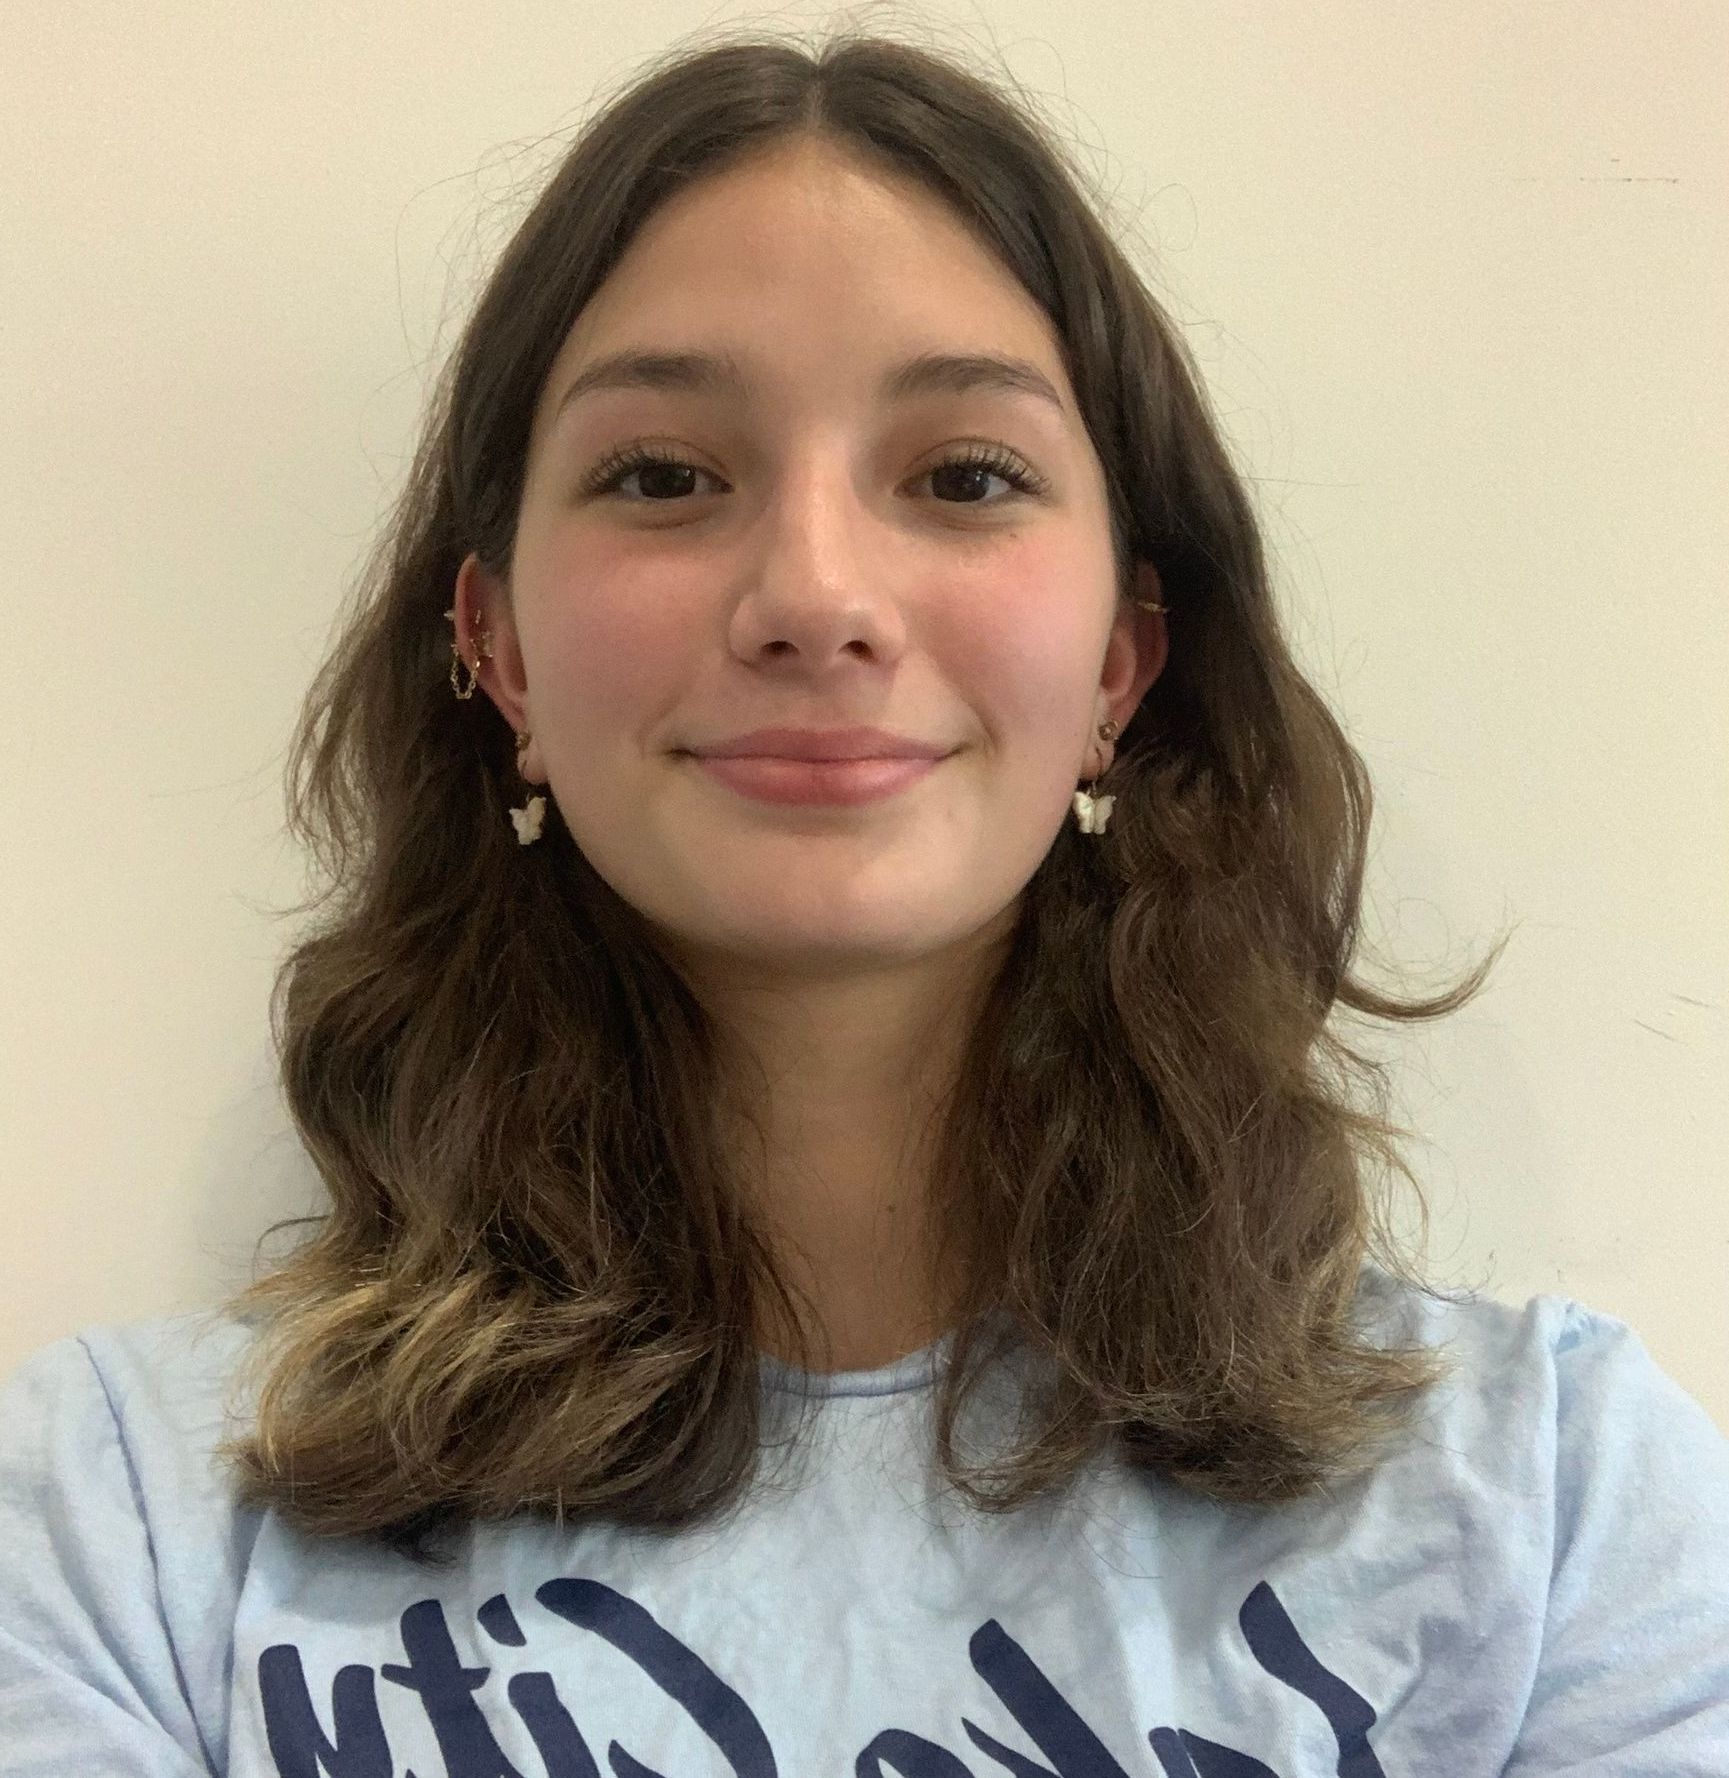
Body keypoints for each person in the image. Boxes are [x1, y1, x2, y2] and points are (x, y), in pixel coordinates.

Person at [3, 27, 1726, 1776]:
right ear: (497, 650)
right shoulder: (123, 1531)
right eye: (664, 475)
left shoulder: (1557, 1502)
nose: (815, 596)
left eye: (963, 476)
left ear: (1123, 663)